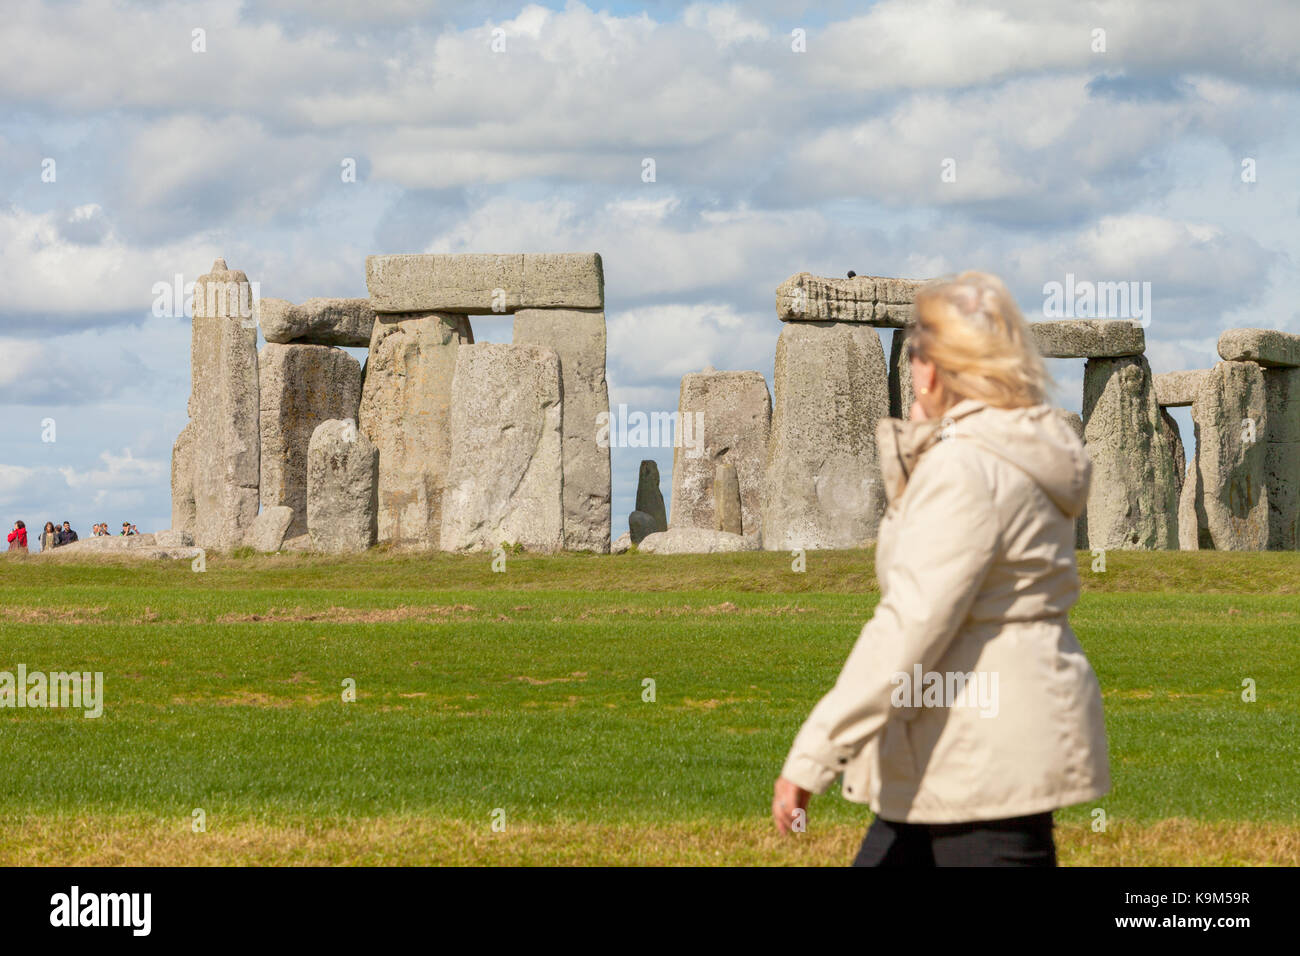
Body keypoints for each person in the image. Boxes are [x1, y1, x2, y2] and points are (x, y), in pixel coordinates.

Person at [772, 271, 1109, 867]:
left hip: (977, 762)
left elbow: (913, 622)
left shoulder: (965, 469)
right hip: (970, 749)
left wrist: (813, 756)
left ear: (932, 366)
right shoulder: (1025, 451)